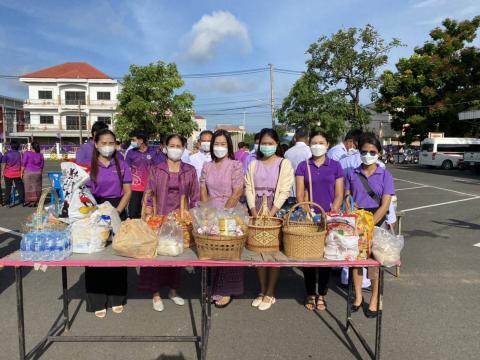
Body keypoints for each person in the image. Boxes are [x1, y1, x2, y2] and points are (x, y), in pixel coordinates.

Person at [139, 134, 200, 312]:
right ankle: (155, 293)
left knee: (176, 256)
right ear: (165, 147)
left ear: (183, 148)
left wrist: (193, 215)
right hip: (160, 217)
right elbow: (148, 192)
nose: (174, 148)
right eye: (171, 145)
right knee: (157, 256)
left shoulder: (189, 170)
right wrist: (148, 209)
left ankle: (173, 291)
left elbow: (195, 196)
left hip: (180, 218)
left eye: (178, 146)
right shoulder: (156, 169)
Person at [345, 133, 395, 318]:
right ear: (359, 152)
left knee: (374, 264)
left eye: (372, 151)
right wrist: (355, 218)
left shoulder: (386, 175)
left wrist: (370, 225)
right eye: (364, 151)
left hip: (376, 221)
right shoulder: (352, 173)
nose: (368, 154)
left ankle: (374, 299)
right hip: (357, 221)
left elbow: (386, 204)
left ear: (379, 153)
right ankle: (358, 297)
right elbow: (348, 198)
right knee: (356, 263)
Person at [245, 128, 294, 311]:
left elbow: (285, 190)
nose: (266, 146)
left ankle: (270, 292)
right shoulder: (253, 164)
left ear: (277, 144)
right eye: (263, 143)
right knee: (258, 250)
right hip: (256, 211)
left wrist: (272, 212)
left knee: (273, 252)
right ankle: (262, 288)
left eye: (270, 143)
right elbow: (249, 187)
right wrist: (254, 211)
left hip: (275, 211)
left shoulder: (284, 164)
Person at [85, 129, 132, 318]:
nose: (107, 146)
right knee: (95, 255)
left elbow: (128, 191)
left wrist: (116, 213)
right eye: (103, 142)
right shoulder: (90, 165)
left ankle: (116, 298)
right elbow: (83, 193)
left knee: (116, 254)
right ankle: (97, 300)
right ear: (96, 144)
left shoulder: (121, 163)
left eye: (111, 142)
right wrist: (95, 212)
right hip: (94, 209)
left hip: (116, 208)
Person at [295, 131, 344, 311]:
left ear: (328, 144)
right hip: (310, 217)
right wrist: (308, 212)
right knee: (309, 257)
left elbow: (339, 193)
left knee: (326, 256)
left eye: (321, 142)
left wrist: (332, 212)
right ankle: (310, 293)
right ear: (309, 145)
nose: (317, 145)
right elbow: (300, 193)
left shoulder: (335, 166)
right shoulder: (302, 166)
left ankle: (322, 294)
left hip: (330, 216)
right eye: (314, 142)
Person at [200, 130, 245, 308]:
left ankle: (226, 289)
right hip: (210, 211)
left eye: (223, 144)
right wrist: (207, 211)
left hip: (230, 212)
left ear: (229, 146)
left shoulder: (235, 165)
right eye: (216, 144)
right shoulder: (207, 166)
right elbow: (203, 188)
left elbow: (237, 190)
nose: (219, 147)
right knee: (211, 251)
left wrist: (224, 214)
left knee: (228, 252)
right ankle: (211, 285)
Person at [126, 130, 166, 219]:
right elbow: (127, 170)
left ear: (141, 140)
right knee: (133, 214)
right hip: (135, 188)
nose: (132, 142)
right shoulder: (130, 153)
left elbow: (162, 167)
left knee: (149, 214)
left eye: (133, 140)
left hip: (150, 188)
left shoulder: (154, 152)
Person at [285, 127, 312, 200]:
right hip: (305, 192)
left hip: (290, 190)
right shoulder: (309, 151)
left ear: (295, 138)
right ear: (308, 138)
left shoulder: (287, 153)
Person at [2, 140, 26, 207]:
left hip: (8, 173)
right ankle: (22, 201)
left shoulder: (7, 154)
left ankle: (7, 203)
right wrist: (22, 172)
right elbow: (22, 164)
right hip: (17, 173)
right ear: (18, 147)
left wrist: (2, 172)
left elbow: (3, 164)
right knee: (20, 188)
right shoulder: (20, 154)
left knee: (8, 188)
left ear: (11, 146)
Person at [21, 142, 44, 207]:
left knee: (29, 187)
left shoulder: (27, 153)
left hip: (28, 172)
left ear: (32, 147)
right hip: (38, 173)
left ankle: (31, 201)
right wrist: (40, 173)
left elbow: (23, 164)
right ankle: (36, 201)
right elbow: (42, 166)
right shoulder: (40, 155)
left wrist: (21, 173)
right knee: (37, 187)